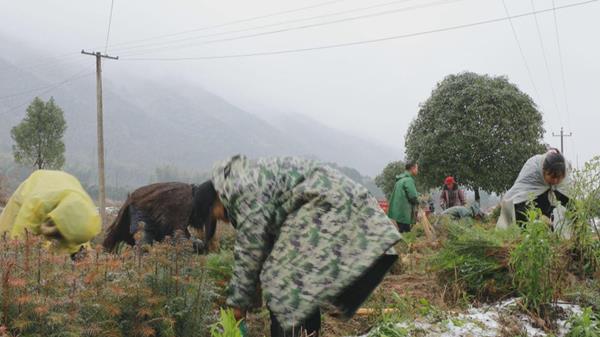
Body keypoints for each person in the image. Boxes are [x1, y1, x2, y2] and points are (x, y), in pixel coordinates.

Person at [194, 155, 402, 337]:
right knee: (299, 284)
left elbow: (250, 255)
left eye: (216, 215)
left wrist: (238, 309)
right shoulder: (247, 181)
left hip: (334, 214)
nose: (222, 220)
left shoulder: (244, 191)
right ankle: (308, 333)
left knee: (285, 287)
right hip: (340, 215)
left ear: (217, 199)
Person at [0, 170, 101, 254]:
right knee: (6, 234)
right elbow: (21, 236)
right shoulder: (37, 203)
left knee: (71, 238)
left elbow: (76, 237)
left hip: (65, 185)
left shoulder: (83, 212)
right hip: (32, 190)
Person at [102, 182, 211, 252]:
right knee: (144, 248)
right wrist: (196, 245)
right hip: (142, 210)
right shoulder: (186, 199)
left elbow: (178, 230)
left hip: (153, 215)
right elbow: (177, 234)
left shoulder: (189, 198)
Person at [497, 149, 571, 229]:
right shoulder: (532, 173)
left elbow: (570, 203)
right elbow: (518, 204)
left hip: (547, 220)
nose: (555, 181)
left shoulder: (561, 184)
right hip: (527, 220)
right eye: (552, 177)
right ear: (544, 171)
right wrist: (539, 217)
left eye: (559, 177)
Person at [387, 162, 419, 233]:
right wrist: (419, 201)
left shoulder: (400, 180)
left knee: (402, 231)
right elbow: (413, 196)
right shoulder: (408, 180)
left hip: (398, 212)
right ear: (412, 168)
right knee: (406, 233)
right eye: (417, 168)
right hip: (404, 213)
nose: (417, 170)